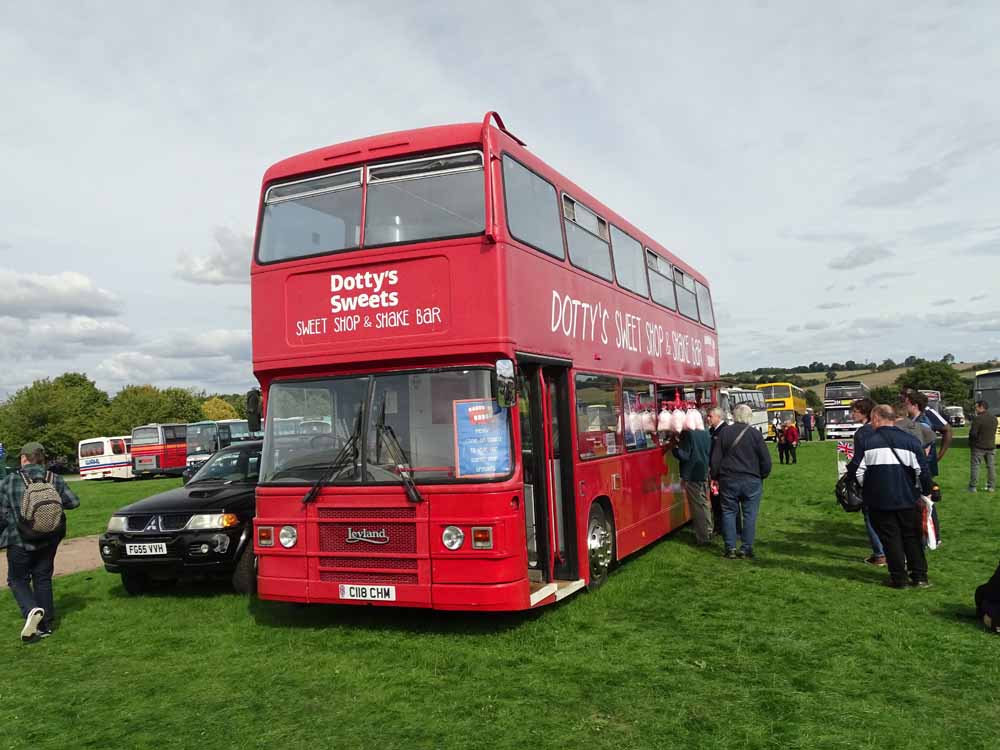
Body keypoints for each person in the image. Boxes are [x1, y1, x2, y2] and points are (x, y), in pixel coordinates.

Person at [0, 442, 80, 642]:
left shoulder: (10, 481)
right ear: (43, 459)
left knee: (17, 579)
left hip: (19, 539)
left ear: (24, 458)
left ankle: (32, 610)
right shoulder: (54, 478)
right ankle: (45, 626)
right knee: (42, 578)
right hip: (49, 538)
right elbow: (74, 502)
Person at [846, 405, 932, 588]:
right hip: (908, 497)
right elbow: (922, 471)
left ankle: (899, 578)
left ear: (876, 418)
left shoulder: (868, 442)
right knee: (912, 537)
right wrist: (923, 491)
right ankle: (920, 577)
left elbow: (857, 470)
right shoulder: (910, 441)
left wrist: (869, 488)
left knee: (890, 538)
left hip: (879, 499)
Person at [710, 404, 772, 559]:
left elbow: (715, 459)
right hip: (751, 479)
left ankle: (730, 548)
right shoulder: (755, 434)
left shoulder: (724, 433)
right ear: (748, 417)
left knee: (728, 513)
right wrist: (762, 475)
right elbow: (766, 460)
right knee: (750, 515)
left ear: (734, 416)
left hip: (728, 479)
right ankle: (746, 548)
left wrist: (715, 477)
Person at [850, 398, 884, 567]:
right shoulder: (883, 429)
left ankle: (879, 554)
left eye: (855, 411)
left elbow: (858, 460)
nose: (852, 414)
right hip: (889, 475)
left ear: (864, 411)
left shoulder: (862, 433)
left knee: (870, 516)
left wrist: (849, 475)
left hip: (869, 477)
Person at [671, 412, 712, 545]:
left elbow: (685, 455)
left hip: (692, 474)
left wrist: (675, 448)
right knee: (704, 502)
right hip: (703, 470)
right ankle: (709, 528)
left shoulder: (687, 434)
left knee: (697, 506)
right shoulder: (706, 432)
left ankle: (702, 537)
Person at [968, 400, 997, 493]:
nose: (975, 409)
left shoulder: (978, 419)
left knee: (975, 467)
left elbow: (973, 433)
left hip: (978, 446)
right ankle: (991, 486)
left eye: (976, 407)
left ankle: (973, 487)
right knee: (991, 467)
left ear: (981, 407)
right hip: (991, 446)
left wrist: (971, 443)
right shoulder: (994, 418)